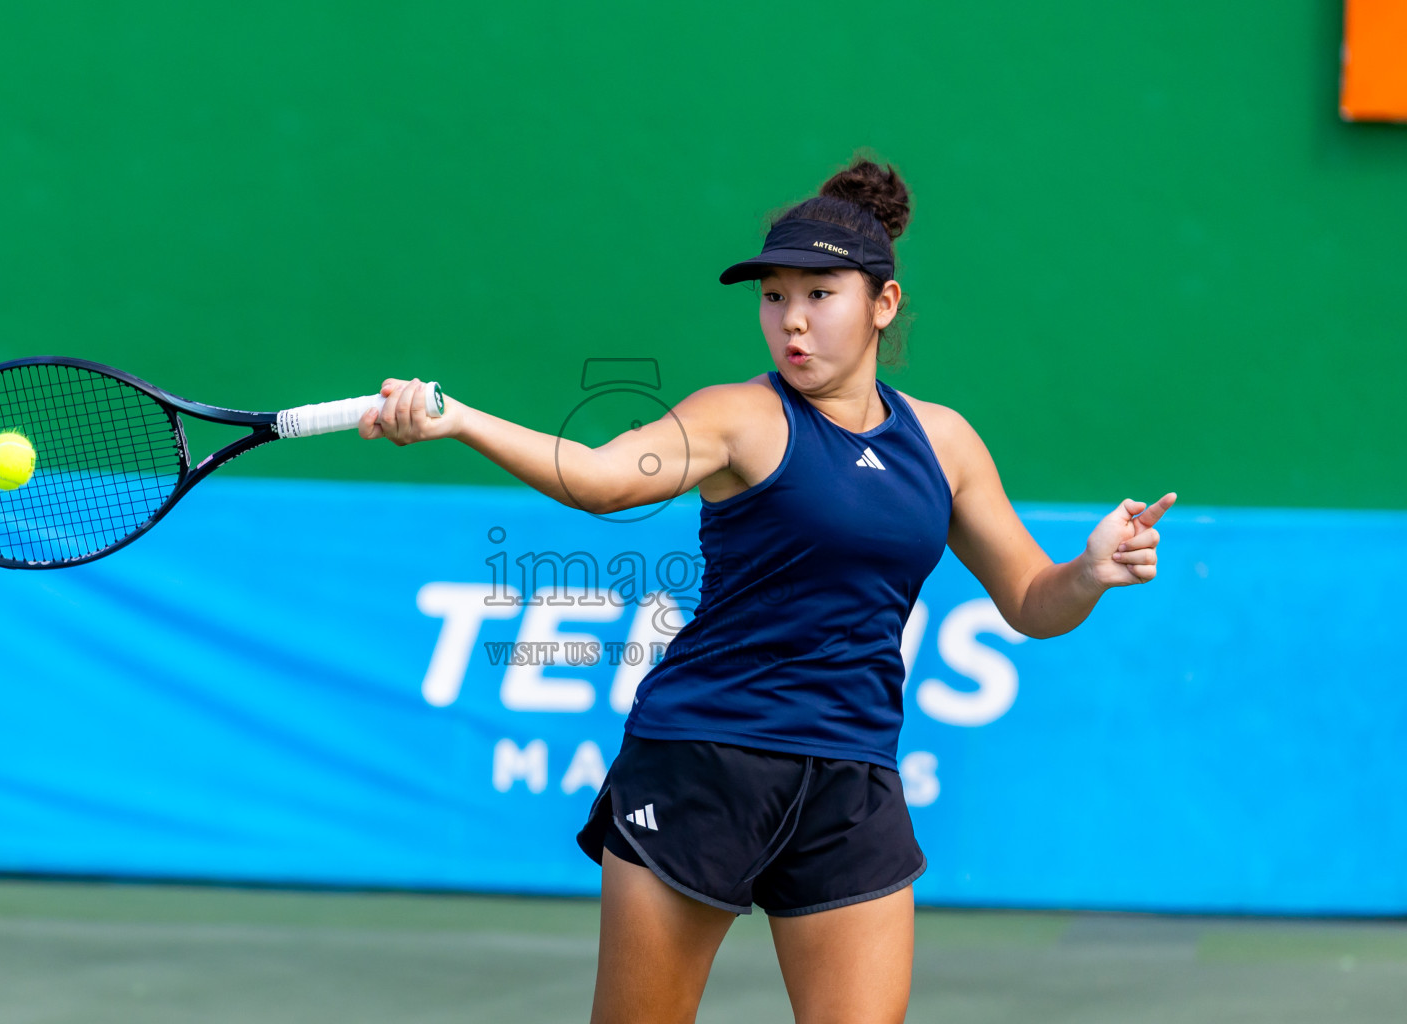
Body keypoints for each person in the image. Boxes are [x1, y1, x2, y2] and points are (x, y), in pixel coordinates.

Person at [360, 156, 1176, 1024]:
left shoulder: (944, 444)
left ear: (882, 305)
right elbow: (598, 478)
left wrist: (1088, 572)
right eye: (773, 296)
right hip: (705, 761)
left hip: (852, 779)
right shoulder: (738, 417)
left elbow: (1028, 601)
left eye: (819, 294)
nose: (792, 321)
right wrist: (458, 418)